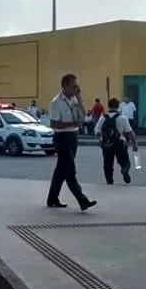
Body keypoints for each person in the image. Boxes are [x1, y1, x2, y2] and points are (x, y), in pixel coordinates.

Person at [46, 73, 96, 210]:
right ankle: (82, 200)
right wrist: (73, 123)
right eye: (74, 86)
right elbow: (54, 124)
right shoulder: (56, 102)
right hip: (62, 138)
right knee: (70, 169)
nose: (76, 89)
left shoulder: (74, 99)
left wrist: (79, 98)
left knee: (61, 170)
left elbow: (83, 115)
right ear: (65, 86)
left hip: (73, 136)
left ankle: (52, 198)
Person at [95, 98, 138, 185]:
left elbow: (97, 132)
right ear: (118, 106)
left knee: (107, 164)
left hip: (106, 144)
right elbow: (130, 133)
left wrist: (103, 138)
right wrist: (134, 144)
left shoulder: (103, 118)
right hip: (120, 143)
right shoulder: (122, 118)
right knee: (125, 161)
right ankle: (124, 169)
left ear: (108, 106)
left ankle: (109, 181)